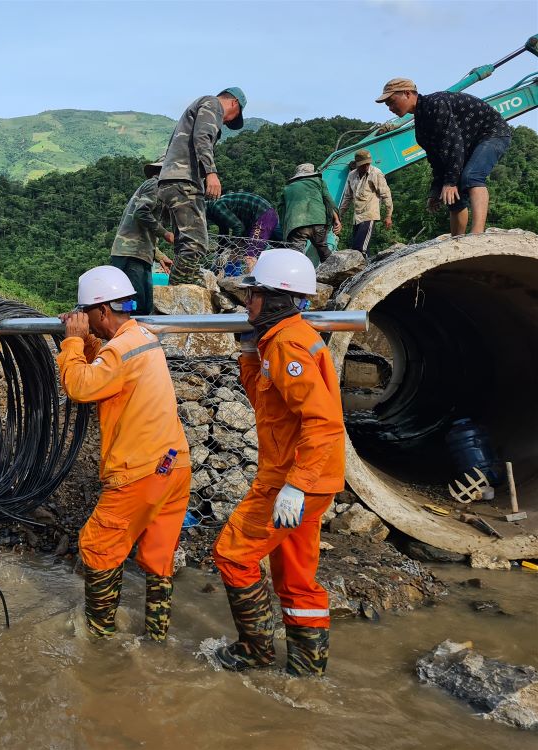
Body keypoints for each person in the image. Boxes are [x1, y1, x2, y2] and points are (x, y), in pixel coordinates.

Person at [211, 248, 345, 676]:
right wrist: (250, 353)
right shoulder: (280, 341)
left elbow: (322, 423)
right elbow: (267, 403)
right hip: (311, 480)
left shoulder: (288, 344)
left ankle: (255, 652)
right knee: (295, 578)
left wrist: (296, 484)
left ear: (275, 299)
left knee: (233, 555)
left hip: (293, 479)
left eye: (253, 294)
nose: (245, 302)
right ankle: (308, 671)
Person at [57, 266, 191, 642]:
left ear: (101, 311)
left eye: (88, 315)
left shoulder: (121, 349)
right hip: (174, 464)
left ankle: (101, 643)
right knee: (157, 555)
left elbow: (81, 386)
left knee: (98, 546)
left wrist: (70, 342)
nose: (88, 323)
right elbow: (108, 364)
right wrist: (85, 342)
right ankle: (157, 638)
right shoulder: (140, 336)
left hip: (141, 470)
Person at [376, 77, 512, 236]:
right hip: (466, 144)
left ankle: (477, 234)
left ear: (407, 93)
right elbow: (437, 160)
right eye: (387, 105)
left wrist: (449, 182)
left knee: (471, 176)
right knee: (451, 195)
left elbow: (454, 143)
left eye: (392, 101)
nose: (390, 108)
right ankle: (457, 241)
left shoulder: (436, 104)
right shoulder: (421, 127)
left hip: (492, 133)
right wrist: (436, 190)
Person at [158, 87, 248, 284]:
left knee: (184, 244)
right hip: (184, 180)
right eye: (233, 117)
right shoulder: (212, 103)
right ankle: (179, 291)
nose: (228, 121)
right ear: (234, 103)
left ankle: (180, 288)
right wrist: (211, 173)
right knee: (196, 242)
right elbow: (203, 136)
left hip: (171, 180)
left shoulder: (198, 107)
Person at [109, 158, 175, 314]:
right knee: (134, 304)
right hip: (130, 253)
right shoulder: (155, 184)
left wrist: (159, 256)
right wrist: (165, 233)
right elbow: (141, 212)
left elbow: (144, 232)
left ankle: (120, 316)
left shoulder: (160, 190)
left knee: (145, 306)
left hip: (141, 254)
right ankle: (114, 313)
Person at [204, 191, 281, 272]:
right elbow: (224, 233)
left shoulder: (217, 207)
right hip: (251, 222)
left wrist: (232, 246)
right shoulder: (215, 211)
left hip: (263, 216)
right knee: (234, 253)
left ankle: (254, 282)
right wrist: (219, 254)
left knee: (250, 255)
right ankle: (231, 276)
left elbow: (238, 227)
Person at [278, 164, 341, 262]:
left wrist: (285, 230)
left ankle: (297, 276)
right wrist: (336, 220)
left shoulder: (287, 188)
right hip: (318, 222)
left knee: (296, 256)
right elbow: (329, 201)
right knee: (324, 251)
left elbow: (281, 211)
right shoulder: (318, 182)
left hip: (296, 225)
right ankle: (333, 273)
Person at [338, 149, 393, 255]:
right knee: (357, 248)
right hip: (357, 218)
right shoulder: (351, 175)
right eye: (363, 164)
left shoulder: (376, 173)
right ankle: (365, 269)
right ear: (357, 165)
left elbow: (386, 194)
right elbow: (347, 197)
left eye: (368, 164)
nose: (366, 166)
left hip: (369, 215)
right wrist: (339, 217)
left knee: (359, 249)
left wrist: (388, 215)